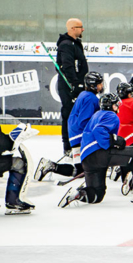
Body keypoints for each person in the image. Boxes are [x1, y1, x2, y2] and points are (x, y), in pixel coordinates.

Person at [58, 94, 133, 208]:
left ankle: (78, 194)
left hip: (87, 159)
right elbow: (99, 131)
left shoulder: (96, 115)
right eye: (117, 105)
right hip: (99, 154)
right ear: (113, 106)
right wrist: (115, 140)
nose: (118, 107)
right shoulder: (111, 115)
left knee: (97, 193)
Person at [35, 71, 104, 182]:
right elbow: (84, 121)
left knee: (80, 170)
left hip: (75, 135)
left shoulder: (84, 94)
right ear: (93, 85)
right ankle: (51, 166)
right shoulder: (91, 98)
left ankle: (52, 166)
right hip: (80, 136)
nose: (102, 86)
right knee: (82, 171)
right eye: (100, 83)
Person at [56, 18, 89, 158]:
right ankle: (68, 146)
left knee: (79, 114)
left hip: (78, 85)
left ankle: (77, 143)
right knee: (69, 114)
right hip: (68, 86)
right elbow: (67, 66)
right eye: (80, 27)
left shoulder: (76, 43)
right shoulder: (66, 45)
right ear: (72, 29)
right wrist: (75, 83)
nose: (83, 29)